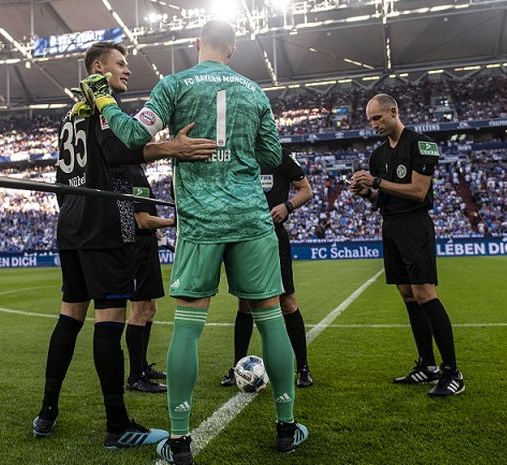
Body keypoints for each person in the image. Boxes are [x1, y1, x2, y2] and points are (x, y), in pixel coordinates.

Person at [80, 20, 309, 465]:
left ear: (196, 45)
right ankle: (286, 428)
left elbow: (130, 136)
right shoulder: (254, 91)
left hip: (200, 220)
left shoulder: (173, 85)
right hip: (250, 218)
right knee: (270, 318)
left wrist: (104, 99)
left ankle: (180, 442)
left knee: (188, 324)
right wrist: (236, 148)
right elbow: (271, 156)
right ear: (234, 49)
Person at [31, 41, 216, 449]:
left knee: (70, 317)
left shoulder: (70, 114)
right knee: (109, 321)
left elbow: (65, 179)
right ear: (98, 67)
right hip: (104, 227)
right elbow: (116, 149)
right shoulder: (100, 104)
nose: (127, 70)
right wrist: (171, 147)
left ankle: (47, 412)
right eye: (121, 63)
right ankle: (117, 425)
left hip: (72, 224)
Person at [350, 93, 465, 397]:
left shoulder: (421, 144)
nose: (374, 124)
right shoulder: (377, 156)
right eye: (369, 120)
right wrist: (364, 191)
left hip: (415, 224)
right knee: (407, 294)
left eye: (378, 117)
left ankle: (453, 372)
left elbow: (417, 191)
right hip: (391, 225)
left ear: (393, 111)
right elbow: (380, 199)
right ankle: (427, 366)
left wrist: (376, 182)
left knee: (425, 292)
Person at [221, 150, 314, 388]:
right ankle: (236, 367)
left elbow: (306, 190)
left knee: (287, 302)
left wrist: (287, 206)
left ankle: (303, 368)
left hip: (273, 237)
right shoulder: (236, 155)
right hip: (242, 237)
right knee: (244, 303)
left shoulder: (278, 156)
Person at [124, 163, 173, 394]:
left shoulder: (137, 173)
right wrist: (175, 221)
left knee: (150, 309)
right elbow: (142, 221)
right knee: (138, 311)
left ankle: (142, 367)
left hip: (146, 245)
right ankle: (135, 377)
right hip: (138, 248)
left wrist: (157, 228)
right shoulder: (133, 173)